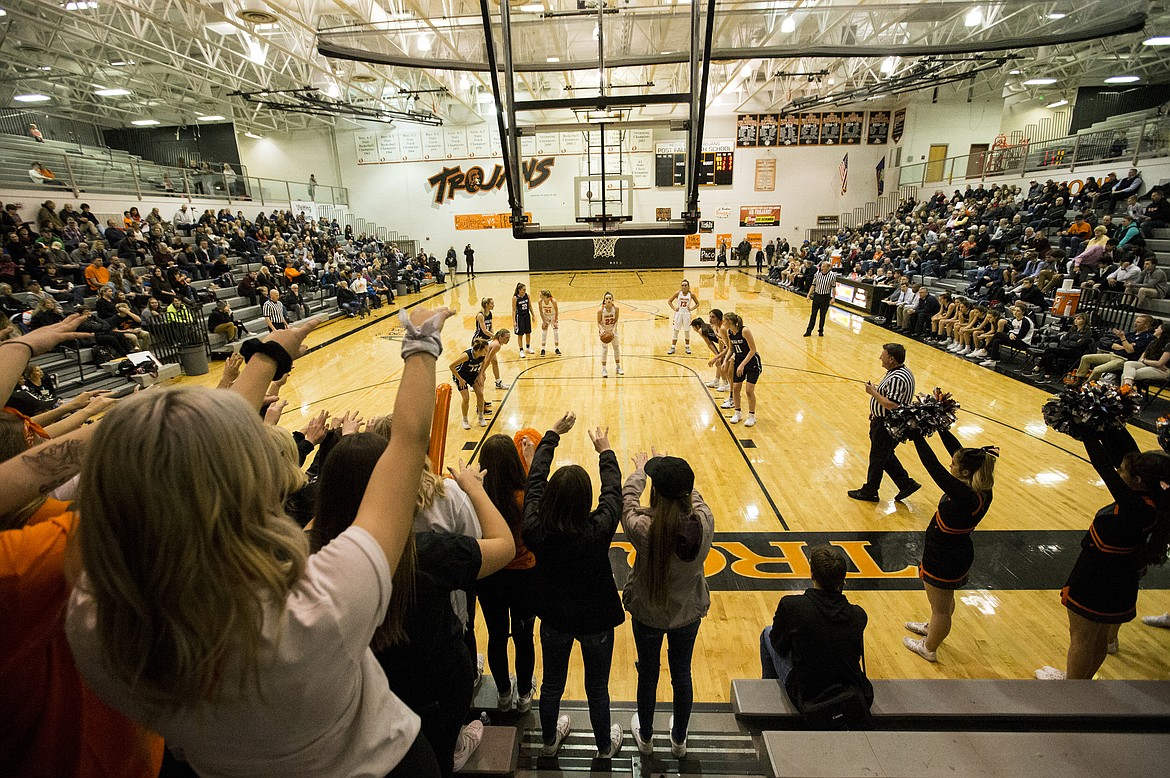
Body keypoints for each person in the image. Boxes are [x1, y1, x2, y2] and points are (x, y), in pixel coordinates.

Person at [64, 309, 456, 777]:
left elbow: (186, 463)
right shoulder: (319, 606)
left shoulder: (94, 624)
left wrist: (266, 358)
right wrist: (420, 345)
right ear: (243, 487)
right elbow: (408, 444)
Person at [311, 434, 514, 778]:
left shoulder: (308, 557)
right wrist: (472, 487)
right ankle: (454, 750)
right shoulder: (425, 553)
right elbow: (504, 545)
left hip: (367, 689)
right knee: (437, 753)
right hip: (436, 682)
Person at [523, 412, 624, 758]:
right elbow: (613, 493)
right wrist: (605, 451)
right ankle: (603, 747)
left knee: (551, 684)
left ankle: (549, 742)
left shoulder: (535, 530)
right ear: (586, 502)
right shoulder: (597, 531)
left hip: (554, 619)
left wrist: (550, 435)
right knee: (598, 688)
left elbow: (534, 483)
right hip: (596, 620)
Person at [1036, 427, 1170, 680]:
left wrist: (1085, 428)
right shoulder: (1153, 499)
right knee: (1097, 639)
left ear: (1137, 480)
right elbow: (1125, 458)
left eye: (1123, 472)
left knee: (1081, 639)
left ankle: (1071, 691)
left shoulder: (1134, 506)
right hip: (1121, 578)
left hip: (1096, 578)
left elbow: (1102, 467)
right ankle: (1082, 686)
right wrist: (1107, 424)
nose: (1119, 472)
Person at [622, 451, 714, 758]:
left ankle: (646, 738)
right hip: (687, 614)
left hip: (647, 614)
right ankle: (678, 741)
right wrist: (680, 480)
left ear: (656, 493)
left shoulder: (644, 530)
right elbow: (695, 501)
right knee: (682, 674)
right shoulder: (704, 522)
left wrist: (639, 472)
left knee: (647, 674)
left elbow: (629, 504)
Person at [901, 429, 998, 662]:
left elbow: (933, 468)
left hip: (944, 556)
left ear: (964, 472)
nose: (950, 465)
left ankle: (929, 647)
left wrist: (916, 435)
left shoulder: (965, 495)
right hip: (953, 551)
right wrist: (939, 425)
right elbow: (957, 452)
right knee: (942, 602)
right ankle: (932, 627)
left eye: (954, 464)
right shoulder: (981, 488)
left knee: (941, 609)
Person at [761, 546, 873, 722]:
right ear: (843, 580)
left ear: (812, 575)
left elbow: (778, 645)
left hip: (809, 698)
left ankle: (767, 697)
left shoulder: (792, 606)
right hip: (848, 694)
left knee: (767, 633)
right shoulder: (859, 615)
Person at [476, 434, 538, 716]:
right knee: (524, 638)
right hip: (524, 578)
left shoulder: (479, 501)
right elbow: (540, 496)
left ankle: (503, 693)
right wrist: (531, 462)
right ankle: (524, 694)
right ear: (515, 464)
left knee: (496, 636)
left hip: (490, 577)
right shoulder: (525, 499)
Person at [848, 343, 918, 502]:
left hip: (887, 424)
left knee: (877, 458)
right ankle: (906, 484)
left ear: (892, 359)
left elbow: (893, 404)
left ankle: (870, 491)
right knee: (884, 455)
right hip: (883, 420)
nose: (880, 357)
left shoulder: (898, 377)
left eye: (883, 355)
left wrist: (873, 393)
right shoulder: (899, 371)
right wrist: (875, 409)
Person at [723, 312, 760, 427]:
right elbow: (731, 348)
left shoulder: (745, 331)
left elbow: (753, 350)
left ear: (729, 321)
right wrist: (725, 361)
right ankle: (737, 412)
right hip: (739, 362)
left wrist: (742, 365)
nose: (723, 322)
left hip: (751, 362)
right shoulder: (729, 332)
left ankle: (751, 416)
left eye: (724, 320)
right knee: (735, 388)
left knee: (749, 390)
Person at [450, 338, 490, 429]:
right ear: (479, 350)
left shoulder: (482, 355)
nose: (487, 352)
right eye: (486, 350)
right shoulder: (466, 356)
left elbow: (484, 362)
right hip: (460, 376)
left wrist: (480, 374)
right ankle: (465, 420)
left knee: (480, 394)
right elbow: (451, 366)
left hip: (473, 374)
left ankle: (481, 417)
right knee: (466, 398)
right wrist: (460, 379)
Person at [1120, 323, 1170, 388]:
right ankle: (1127, 390)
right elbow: (1142, 358)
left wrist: (1145, 361)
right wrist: (1145, 361)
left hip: (1162, 370)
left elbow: (1159, 363)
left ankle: (1125, 392)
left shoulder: (1168, 345)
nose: (1155, 329)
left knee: (1126, 375)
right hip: (1148, 364)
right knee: (1128, 363)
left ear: (1162, 330)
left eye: (1158, 328)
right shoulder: (1153, 342)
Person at [805, 261, 836, 337]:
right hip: (817, 296)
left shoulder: (832, 276)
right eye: (822, 266)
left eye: (824, 266)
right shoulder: (817, 274)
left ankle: (820, 330)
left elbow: (833, 288)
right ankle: (809, 331)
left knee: (823, 315)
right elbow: (813, 285)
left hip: (825, 297)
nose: (822, 268)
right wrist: (808, 295)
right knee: (813, 315)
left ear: (828, 267)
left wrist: (833, 298)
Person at [667, 279, 698, 355]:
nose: (684, 287)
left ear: (688, 286)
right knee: (676, 330)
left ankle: (687, 347)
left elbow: (697, 303)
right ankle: (673, 347)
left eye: (685, 285)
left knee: (687, 330)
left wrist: (691, 308)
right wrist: (674, 308)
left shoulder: (691, 294)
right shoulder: (678, 293)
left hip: (686, 313)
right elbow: (669, 301)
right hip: (678, 313)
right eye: (682, 285)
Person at [598, 291, 623, 378]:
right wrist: (601, 331)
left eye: (610, 298)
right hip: (604, 331)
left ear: (612, 300)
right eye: (606, 298)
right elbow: (598, 322)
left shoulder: (616, 309)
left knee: (616, 348)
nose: (608, 300)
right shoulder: (600, 310)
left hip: (613, 331)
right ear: (604, 300)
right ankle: (604, 369)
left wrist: (613, 330)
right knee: (605, 350)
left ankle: (618, 367)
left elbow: (616, 320)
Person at [512, 283, 533, 357]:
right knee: (520, 334)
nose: (525, 291)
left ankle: (528, 347)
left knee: (528, 332)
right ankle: (521, 350)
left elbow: (530, 306)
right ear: (519, 290)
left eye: (525, 289)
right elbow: (514, 310)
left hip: (527, 315)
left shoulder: (527, 296)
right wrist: (514, 321)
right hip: (519, 316)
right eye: (523, 289)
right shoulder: (515, 298)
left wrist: (533, 315)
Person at [538, 289, 560, 356]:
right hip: (546, 316)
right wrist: (544, 321)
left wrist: (555, 321)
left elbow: (556, 311)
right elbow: (541, 312)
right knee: (544, 331)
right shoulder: (540, 301)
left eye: (541, 295)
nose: (540, 296)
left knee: (555, 331)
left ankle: (557, 348)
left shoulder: (553, 301)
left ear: (545, 296)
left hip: (553, 316)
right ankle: (543, 349)